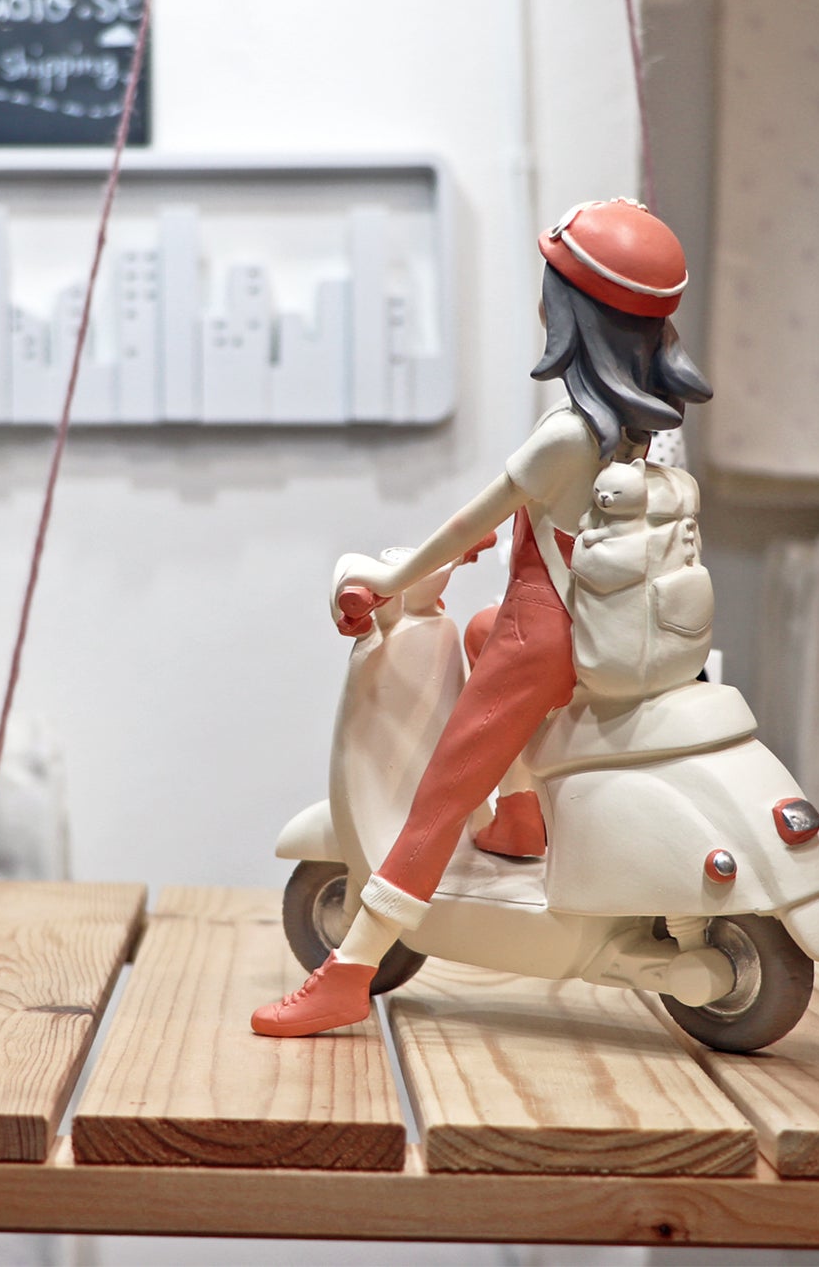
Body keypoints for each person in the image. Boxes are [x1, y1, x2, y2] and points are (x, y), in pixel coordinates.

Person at [252, 199, 712, 1037]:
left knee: (437, 796)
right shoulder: (636, 422)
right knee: (472, 631)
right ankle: (519, 818)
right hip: (589, 617)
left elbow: (475, 516)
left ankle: (348, 971)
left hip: (542, 634)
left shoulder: (567, 431)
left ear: (569, 313)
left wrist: (392, 574)